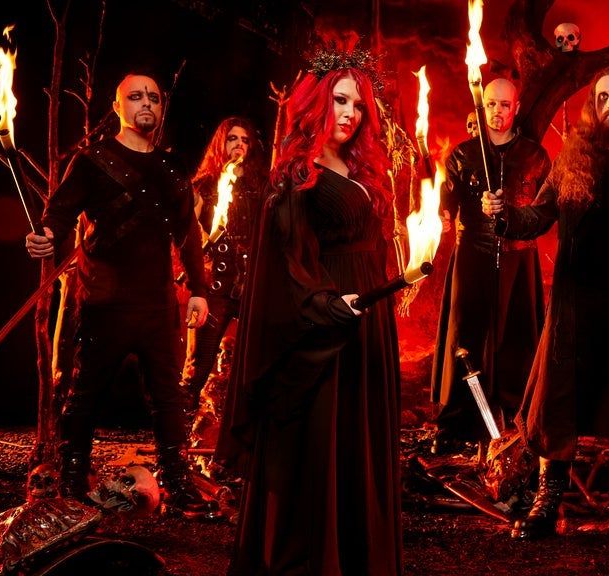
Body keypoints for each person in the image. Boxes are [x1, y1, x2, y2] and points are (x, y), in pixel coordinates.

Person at [224, 52, 402, 575]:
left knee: (360, 440)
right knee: (323, 442)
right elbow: (288, 260)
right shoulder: (297, 174)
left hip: (369, 320)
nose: (350, 113)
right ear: (317, 104)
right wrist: (325, 303)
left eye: (359, 105)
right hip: (327, 327)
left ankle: (360, 555)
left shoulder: (362, 168)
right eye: (340, 100)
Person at [24, 71, 210, 515]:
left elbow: (188, 234)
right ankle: (72, 476)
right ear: (118, 106)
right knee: (85, 392)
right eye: (136, 96)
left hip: (157, 301)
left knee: (168, 395)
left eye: (154, 98)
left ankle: (176, 479)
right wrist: (45, 236)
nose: (146, 103)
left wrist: (198, 290)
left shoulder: (171, 168)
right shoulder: (93, 161)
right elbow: (59, 213)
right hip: (104, 301)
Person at [481, 67, 609, 539]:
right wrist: (506, 216)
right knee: (557, 399)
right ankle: (548, 498)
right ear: (593, 106)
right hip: (576, 300)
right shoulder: (573, 157)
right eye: (604, 97)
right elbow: (539, 214)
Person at [430, 78, 550, 453]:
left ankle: (517, 421)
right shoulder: (463, 154)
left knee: (517, 338)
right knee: (464, 337)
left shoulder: (535, 156)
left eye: (505, 105)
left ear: (516, 108)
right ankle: (455, 421)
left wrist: (512, 214)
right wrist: (443, 216)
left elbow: (545, 210)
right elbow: (445, 200)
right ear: (482, 107)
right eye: (491, 104)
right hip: (473, 254)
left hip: (519, 255)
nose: (497, 111)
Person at [179, 117, 267, 444]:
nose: (239, 145)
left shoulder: (262, 187)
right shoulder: (203, 186)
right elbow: (186, 236)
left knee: (260, 365)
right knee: (197, 366)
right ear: (221, 144)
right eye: (232, 139)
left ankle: (252, 444)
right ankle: (177, 444)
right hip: (215, 285)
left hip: (253, 286)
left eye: (245, 140)